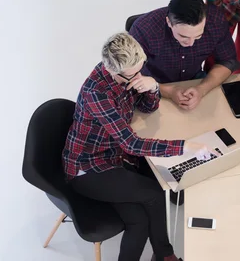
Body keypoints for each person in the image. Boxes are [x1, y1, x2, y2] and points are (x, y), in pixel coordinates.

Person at [62, 32, 215, 261]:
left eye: (141, 69)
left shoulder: (127, 71)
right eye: (133, 75)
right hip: (88, 168)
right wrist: (186, 146)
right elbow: (131, 143)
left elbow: (146, 107)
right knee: (154, 192)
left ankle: (163, 255)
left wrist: (153, 87)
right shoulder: (96, 93)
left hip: (114, 157)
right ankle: (166, 255)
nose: (138, 76)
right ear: (114, 71)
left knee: (139, 220)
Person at [129, 0, 240, 111]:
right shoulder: (144, 29)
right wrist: (169, 91)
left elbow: (228, 61)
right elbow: (131, 75)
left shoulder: (215, 20)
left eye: (198, 36)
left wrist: (202, 89)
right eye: (183, 36)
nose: (191, 43)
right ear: (169, 22)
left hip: (195, 79)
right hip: (153, 84)